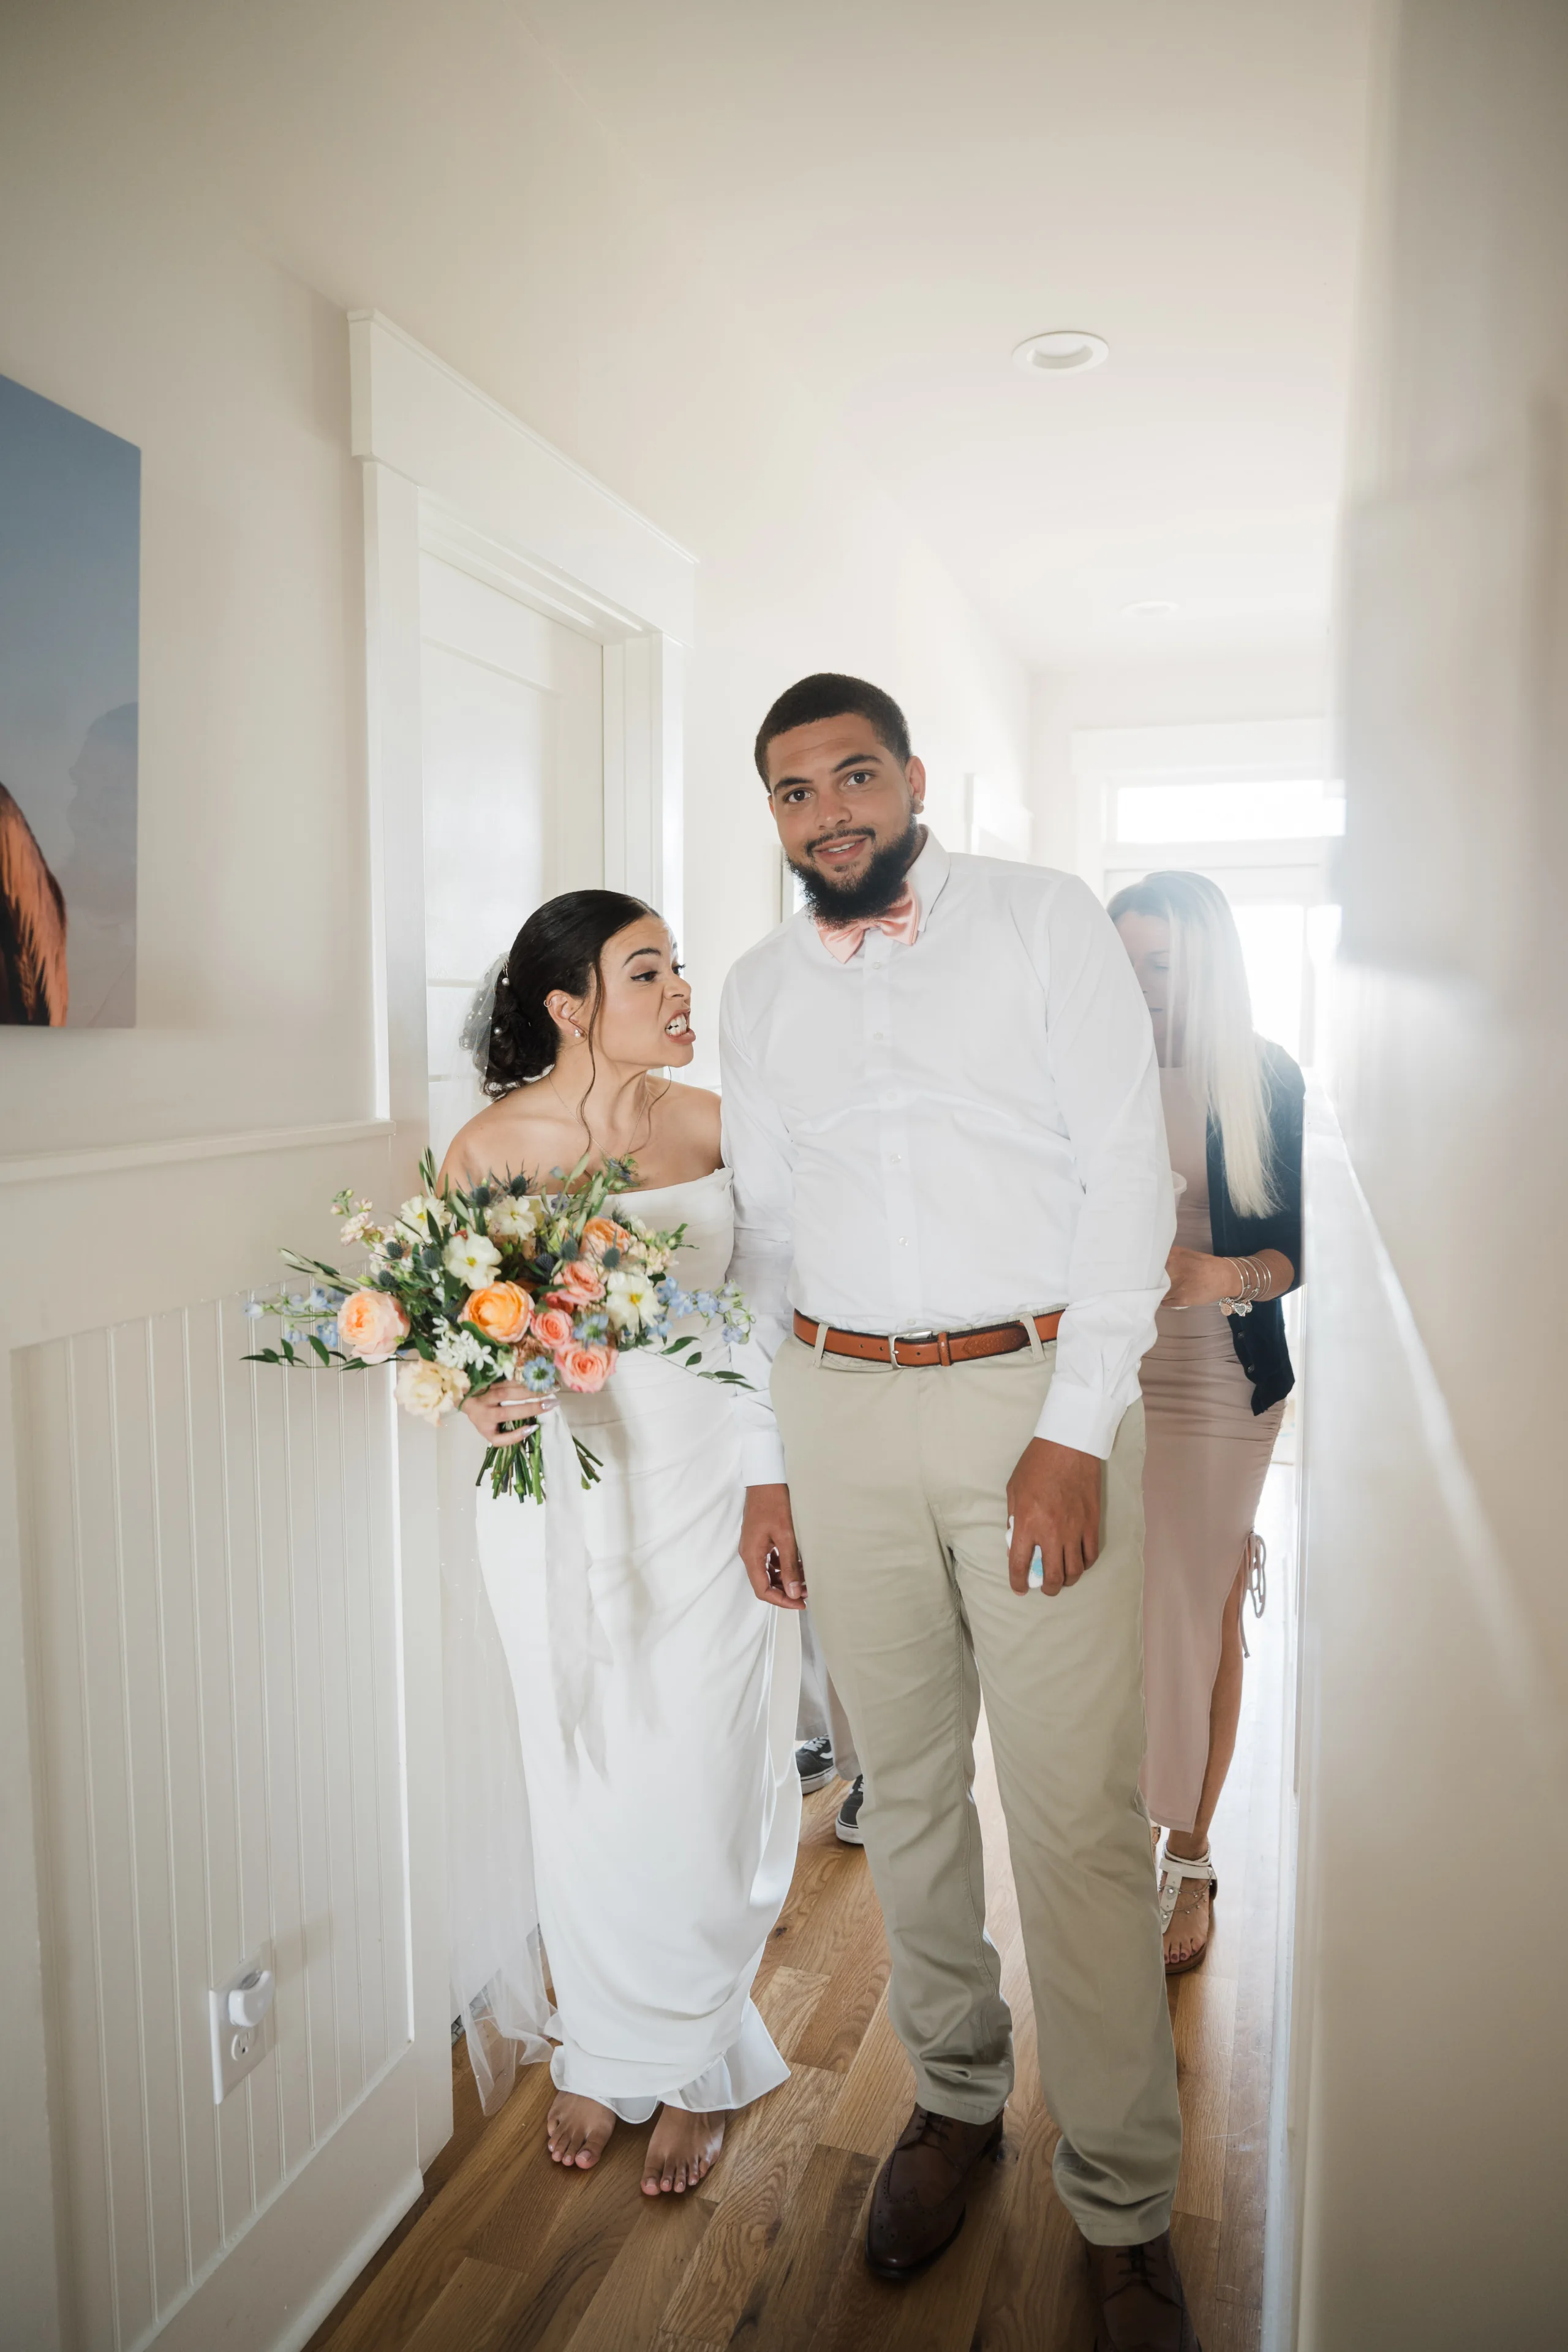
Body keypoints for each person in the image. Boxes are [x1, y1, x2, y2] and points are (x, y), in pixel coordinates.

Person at [722, 674, 1199, 2352]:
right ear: (773, 817)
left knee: (1070, 1812)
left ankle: (1127, 2202)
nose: (830, 812)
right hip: (836, 1410)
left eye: (856, 776)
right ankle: (953, 2101)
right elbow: (767, 1241)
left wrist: (1074, 1434)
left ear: (913, 779)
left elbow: (1125, 1181)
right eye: (795, 793)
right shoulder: (761, 987)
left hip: (1031, 1396)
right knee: (902, 1788)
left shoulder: (1041, 922)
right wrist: (768, 1459)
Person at [440, 891, 800, 2198]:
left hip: (712, 1479)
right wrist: (473, 1391)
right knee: (583, 1763)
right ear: (569, 1006)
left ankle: (700, 2055)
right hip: (554, 1488)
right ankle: (599, 2047)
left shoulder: (719, 1125)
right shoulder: (486, 1148)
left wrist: (775, 1481)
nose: (678, 992)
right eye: (645, 971)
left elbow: (773, 1311)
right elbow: (446, 1332)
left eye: (677, 967)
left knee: (704, 1763)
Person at [1110, 873, 1303, 1975]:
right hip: (1102, 1368)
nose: (1142, 986)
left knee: (1192, 1601)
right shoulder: (1086, 1068)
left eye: (1163, 965)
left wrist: (1220, 1274)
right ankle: (1115, 1828)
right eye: (1127, 961)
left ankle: (1188, 1852)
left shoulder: (1265, 1075)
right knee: (1129, 1608)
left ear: (1210, 966)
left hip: (1219, 1374)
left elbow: (1294, 1254)